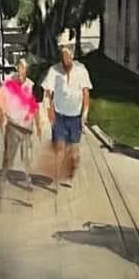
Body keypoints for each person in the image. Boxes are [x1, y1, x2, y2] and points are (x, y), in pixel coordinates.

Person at [43, 45, 92, 189]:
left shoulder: (81, 70)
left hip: (75, 117)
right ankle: (57, 177)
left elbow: (86, 93)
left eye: (68, 58)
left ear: (72, 57)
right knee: (59, 148)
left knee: (74, 154)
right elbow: (47, 93)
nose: (65, 62)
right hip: (59, 116)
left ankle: (70, 176)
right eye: (63, 58)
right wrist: (49, 111)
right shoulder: (54, 70)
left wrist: (85, 114)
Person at [0, 58, 43, 203]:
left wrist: (38, 126)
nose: (21, 71)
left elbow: (35, 108)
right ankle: (2, 187)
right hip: (12, 127)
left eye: (24, 69)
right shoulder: (8, 84)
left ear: (27, 71)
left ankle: (28, 188)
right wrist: (2, 121)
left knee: (27, 159)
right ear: (16, 69)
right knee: (8, 159)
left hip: (26, 129)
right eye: (19, 68)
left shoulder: (30, 85)